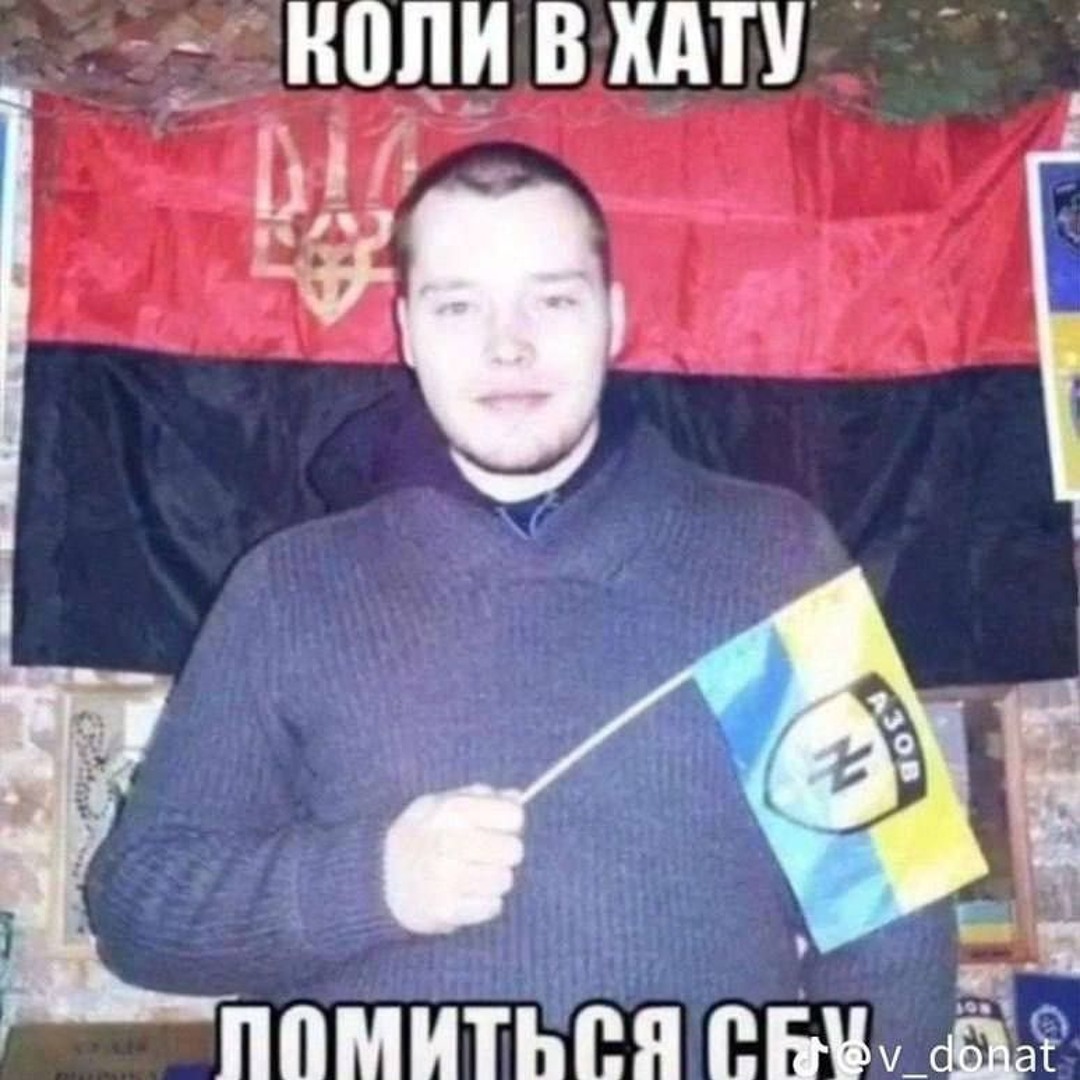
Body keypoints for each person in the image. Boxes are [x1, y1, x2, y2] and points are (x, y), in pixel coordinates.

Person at [86, 141, 956, 1075]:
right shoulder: (288, 587)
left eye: (553, 299)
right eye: (459, 306)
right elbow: (138, 913)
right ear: (407, 331)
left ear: (614, 318)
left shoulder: (773, 557)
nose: (509, 345)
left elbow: (897, 935)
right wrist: (373, 881)